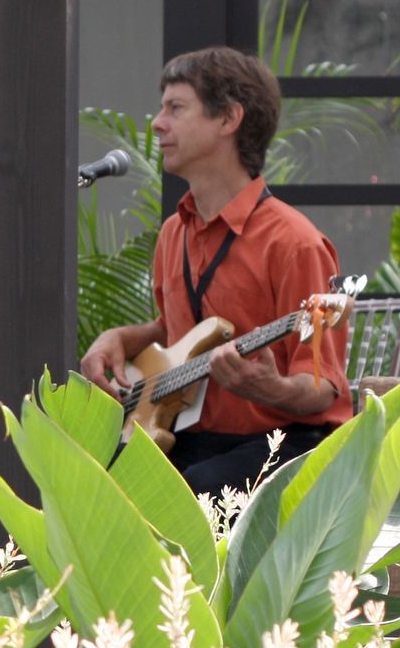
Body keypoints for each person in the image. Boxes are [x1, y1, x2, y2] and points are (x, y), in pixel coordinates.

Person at [79, 46, 352, 500]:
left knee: (183, 495)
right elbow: (173, 330)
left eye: (175, 108)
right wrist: (119, 339)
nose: (157, 124)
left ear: (228, 119)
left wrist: (273, 389)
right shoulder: (174, 233)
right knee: (91, 489)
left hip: (283, 446)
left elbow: (324, 388)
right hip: (192, 442)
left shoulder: (296, 243)